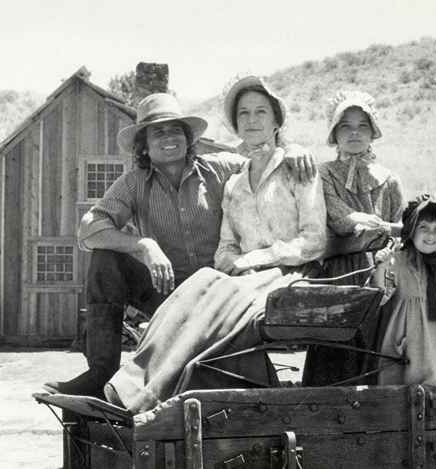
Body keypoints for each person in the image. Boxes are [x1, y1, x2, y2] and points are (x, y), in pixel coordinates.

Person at [43, 92, 316, 397]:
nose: (168, 138)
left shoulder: (221, 168)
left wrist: (292, 149)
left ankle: (142, 388)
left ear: (188, 138)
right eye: (157, 132)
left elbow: (266, 161)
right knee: (105, 259)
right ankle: (100, 373)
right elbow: (89, 229)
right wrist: (143, 244)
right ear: (143, 146)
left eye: (175, 130)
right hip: (166, 292)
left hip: (223, 293)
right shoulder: (133, 183)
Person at [103, 75, 327, 412]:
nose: (252, 120)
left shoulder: (297, 170)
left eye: (261, 112)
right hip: (244, 280)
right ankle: (130, 381)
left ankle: (150, 396)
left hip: (291, 276)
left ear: (277, 120)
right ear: (236, 124)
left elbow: (314, 241)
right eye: (244, 114)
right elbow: (226, 246)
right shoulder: (236, 181)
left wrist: (253, 260)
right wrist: (229, 263)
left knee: (218, 294)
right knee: (199, 283)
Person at [303, 90, 404, 386]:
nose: (354, 133)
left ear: (373, 130)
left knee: (375, 352)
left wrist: (384, 240)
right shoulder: (323, 175)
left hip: (381, 273)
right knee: (333, 354)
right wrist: (370, 227)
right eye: (345, 125)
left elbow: (400, 230)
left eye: (362, 125)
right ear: (334, 132)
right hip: (338, 274)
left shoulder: (389, 179)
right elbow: (338, 219)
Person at [375, 195, 436, 386]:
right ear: (411, 230)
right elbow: (382, 295)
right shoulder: (396, 262)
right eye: (423, 227)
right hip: (408, 348)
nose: (431, 235)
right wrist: (382, 267)